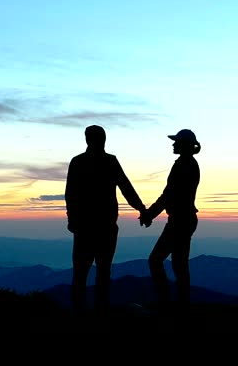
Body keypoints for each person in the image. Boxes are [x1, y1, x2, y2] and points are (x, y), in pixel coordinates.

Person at [64, 124, 147, 312]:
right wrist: (141, 209)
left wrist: (72, 219)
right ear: (103, 139)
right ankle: (100, 309)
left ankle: (79, 309)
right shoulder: (110, 162)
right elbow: (126, 188)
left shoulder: (78, 162)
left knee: (81, 271)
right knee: (102, 270)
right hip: (105, 226)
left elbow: (70, 194)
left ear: (87, 139)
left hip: (84, 226)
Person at [140, 128, 201, 311]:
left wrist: (149, 214)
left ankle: (166, 302)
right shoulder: (189, 164)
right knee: (179, 263)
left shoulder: (184, 165)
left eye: (176, 142)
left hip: (180, 221)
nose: (173, 145)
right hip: (185, 219)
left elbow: (168, 195)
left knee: (156, 260)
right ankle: (180, 303)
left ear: (185, 145)